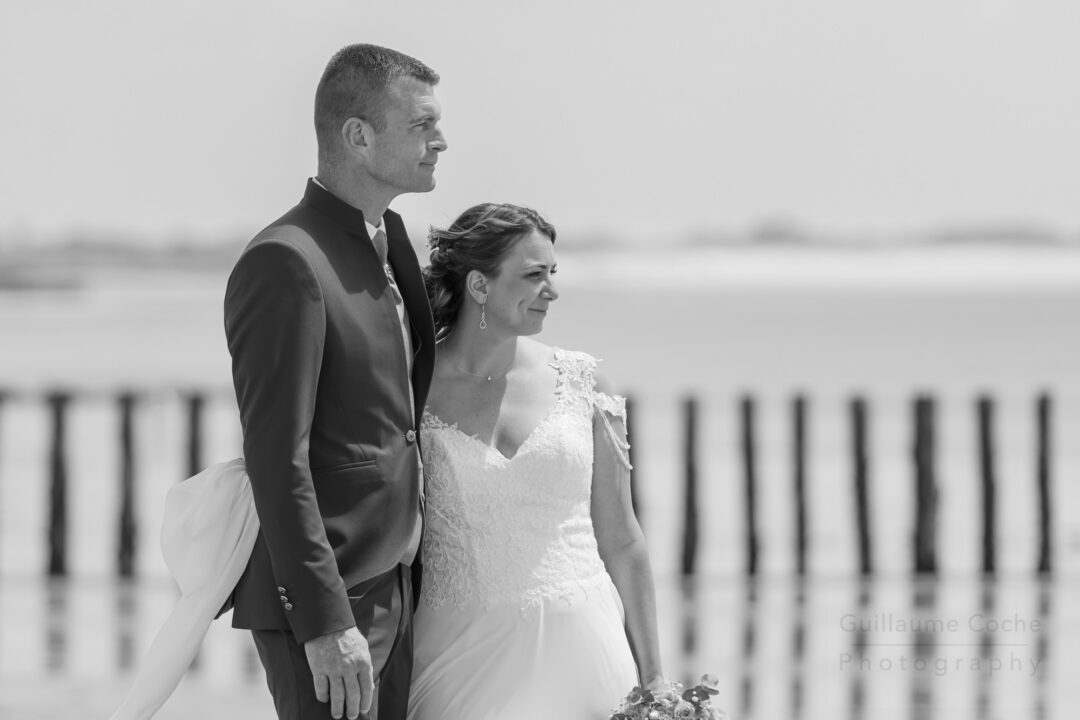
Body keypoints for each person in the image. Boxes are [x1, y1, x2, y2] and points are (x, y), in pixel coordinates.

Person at [223, 44, 444, 720]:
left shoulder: (389, 246)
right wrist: (324, 622)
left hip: (396, 588)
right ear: (358, 135)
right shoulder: (285, 261)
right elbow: (275, 457)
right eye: (422, 125)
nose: (440, 141)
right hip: (334, 603)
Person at [406, 203, 664, 719]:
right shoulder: (412, 387)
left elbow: (622, 538)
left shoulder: (585, 383)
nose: (552, 290)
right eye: (533, 275)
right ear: (479, 285)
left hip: (587, 657)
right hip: (459, 663)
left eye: (553, 272)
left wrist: (655, 677)